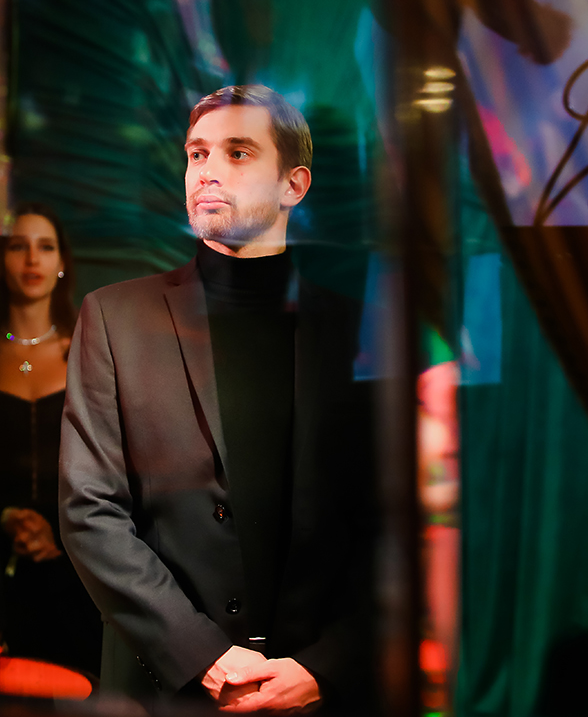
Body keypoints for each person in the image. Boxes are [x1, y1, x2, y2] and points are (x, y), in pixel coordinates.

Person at [59, 85, 375, 712]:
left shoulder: (359, 330)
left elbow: (391, 522)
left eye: (237, 152)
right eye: (197, 153)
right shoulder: (115, 317)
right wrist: (201, 654)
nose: (207, 171)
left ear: (294, 185)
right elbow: (89, 510)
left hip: (316, 692)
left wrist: (327, 665)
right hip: (164, 691)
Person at [0, 202, 100, 675]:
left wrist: (61, 532)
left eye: (45, 247)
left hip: (78, 570)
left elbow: (111, 468)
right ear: (1, 260)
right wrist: (3, 516)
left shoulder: (90, 350)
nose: (32, 259)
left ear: (61, 263)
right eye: (19, 246)